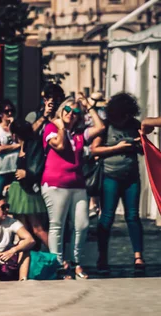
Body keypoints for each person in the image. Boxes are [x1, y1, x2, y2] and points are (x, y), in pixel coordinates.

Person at [41, 95, 105, 279]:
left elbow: (100, 127)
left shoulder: (79, 134)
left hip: (77, 184)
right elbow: (60, 146)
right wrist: (61, 126)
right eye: (67, 110)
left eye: (75, 112)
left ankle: (77, 262)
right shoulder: (51, 128)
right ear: (61, 111)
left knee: (83, 224)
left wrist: (90, 107)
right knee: (57, 226)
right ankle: (59, 265)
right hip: (55, 184)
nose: (71, 114)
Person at [91, 93, 145, 276]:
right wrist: (117, 148)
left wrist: (138, 145)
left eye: (127, 116)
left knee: (133, 216)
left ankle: (138, 256)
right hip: (110, 177)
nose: (125, 119)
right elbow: (94, 150)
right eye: (122, 116)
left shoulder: (135, 125)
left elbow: (144, 150)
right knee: (106, 217)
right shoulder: (107, 127)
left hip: (131, 178)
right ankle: (102, 257)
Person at [6, 120, 48, 249]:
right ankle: (27, 260)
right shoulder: (24, 145)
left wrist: (27, 173)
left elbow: (36, 167)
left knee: (37, 228)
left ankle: (59, 258)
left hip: (26, 191)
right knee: (23, 230)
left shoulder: (32, 144)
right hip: (18, 188)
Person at [0, 99, 20, 195]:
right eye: (6, 111)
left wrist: (13, 127)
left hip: (14, 169)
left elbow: (21, 141)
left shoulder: (15, 128)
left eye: (12, 111)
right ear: (0, 114)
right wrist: (17, 146)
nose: (10, 113)